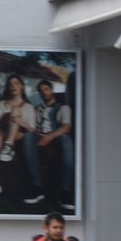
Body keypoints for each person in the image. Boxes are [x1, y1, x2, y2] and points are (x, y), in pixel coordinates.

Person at [0, 75, 37, 198]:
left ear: (22, 87)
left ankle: (8, 147)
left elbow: (32, 129)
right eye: (10, 84)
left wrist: (20, 121)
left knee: (15, 111)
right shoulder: (2, 104)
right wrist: (3, 134)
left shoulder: (29, 107)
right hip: (4, 135)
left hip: (20, 136)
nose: (13, 86)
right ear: (8, 88)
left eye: (16, 83)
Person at [33, 79, 75, 212]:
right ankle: (36, 188)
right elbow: (33, 126)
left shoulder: (63, 108)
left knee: (66, 139)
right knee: (28, 138)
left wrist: (49, 137)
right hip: (39, 135)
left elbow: (67, 127)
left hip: (55, 136)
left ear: (52, 90)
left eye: (46, 89)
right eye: (41, 91)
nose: (44, 93)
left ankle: (64, 191)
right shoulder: (37, 109)